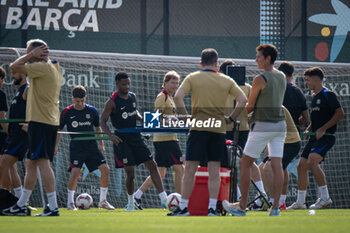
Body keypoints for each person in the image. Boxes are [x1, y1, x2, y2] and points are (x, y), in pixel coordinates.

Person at [170, 48, 247, 216]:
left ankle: (183, 207)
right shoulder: (226, 80)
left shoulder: (193, 77)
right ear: (216, 64)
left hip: (198, 128)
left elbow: (177, 97)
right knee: (214, 170)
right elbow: (243, 100)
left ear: (200, 63)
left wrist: (185, 118)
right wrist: (231, 118)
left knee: (190, 168)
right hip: (218, 129)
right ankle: (213, 207)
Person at [223, 44, 286, 217]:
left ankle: (242, 206)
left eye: (258, 56)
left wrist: (238, 108)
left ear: (267, 58)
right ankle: (275, 208)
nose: (255, 59)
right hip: (280, 126)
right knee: (277, 166)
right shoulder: (281, 76)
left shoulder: (260, 78)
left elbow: (249, 107)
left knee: (245, 163)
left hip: (263, 126)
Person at [2, 39, 62, 216]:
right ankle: (21, 203)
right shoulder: (54, 67)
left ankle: (52, 206)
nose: (27, 56)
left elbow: (14, 67)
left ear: (37, 53)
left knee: (43, 162)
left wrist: (31, 55)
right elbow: (28, 93)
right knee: (31, 163)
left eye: (29, 52)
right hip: (45, 121)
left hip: (41, 121)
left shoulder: (42, 68)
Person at [100, 72, 167, 211]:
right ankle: (131, 202)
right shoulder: (111, 102)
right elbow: (103, 121)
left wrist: (145, 120)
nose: (127, 86)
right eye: (124, 84)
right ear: (117, 84)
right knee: (130, 173)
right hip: (121, 141)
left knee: (152, 165)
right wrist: (111, 136)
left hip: (135, 137)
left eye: (128, 84)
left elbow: (134, 113)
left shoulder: (132, 96)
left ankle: (164, 199)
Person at [287, 67, 344, 210]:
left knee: (312, 162)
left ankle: (325, 198)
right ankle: (300, 203)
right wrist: (310, 127)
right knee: (301, 166)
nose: (306, 83)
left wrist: (323, 129)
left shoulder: (327, 94)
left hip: (326, 137)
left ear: (316, 79)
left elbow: (340, 113)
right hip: (314, 138)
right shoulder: (314, 97)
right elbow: (317, 118)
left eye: (307, 80)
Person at [55, 85, 114, 211]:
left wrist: (101, 144)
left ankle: (103, 201)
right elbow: (59, 130)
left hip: (91, 146)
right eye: (77, 101)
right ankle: (70, 203)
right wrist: (55, 147)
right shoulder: (67, 112)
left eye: (82, 100)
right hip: (76, 146)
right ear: (72, 99)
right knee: (75, 172)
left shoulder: (92, 111)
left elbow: (98, 128)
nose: (80, 103)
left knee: (105, 169)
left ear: (85, 97)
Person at [219, 60, 268, 206]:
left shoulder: (227, 87)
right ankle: (244, 195)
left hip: (234, 129)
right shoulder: (241, 87)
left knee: (239, 161)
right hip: (237, 129)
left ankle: (259, 194)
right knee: (239, 161)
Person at [133, 71, 184, 210]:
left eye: (176, 83)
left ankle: (136, 196)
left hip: (167, 139)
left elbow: (167, 118)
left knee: (160, 173)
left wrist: (174, 121)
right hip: (166, 140)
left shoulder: (170, 98)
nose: (175, 85)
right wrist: (170, 121)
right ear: (165, 82)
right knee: (179, 170)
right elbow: (156, 119)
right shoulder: (162, 97)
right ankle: (180, 202)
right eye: (172, 82)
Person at [259, 106, 301, 209]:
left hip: (290, 143)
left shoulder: (275, 107)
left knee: (269, 168)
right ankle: (263, 201)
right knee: (261, 168)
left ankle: (273, 202)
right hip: (278, 142)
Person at [0, 68, 28, 200]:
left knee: (4, 163)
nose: (12, 76)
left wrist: (31, 124)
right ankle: (21, 200)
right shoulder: (19, 92)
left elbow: (39, 105)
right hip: (13, 136)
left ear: (23, 73)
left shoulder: (28, 89)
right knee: (9, 166)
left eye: (14, 73)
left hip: (20, 136)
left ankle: (6, 199)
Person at [278, 61, 309, 130]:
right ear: (292, 75)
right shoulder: (298, 92)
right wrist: (294, 124)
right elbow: (306, 118)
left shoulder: (274, 90)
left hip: (276, 133)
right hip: (294, 134)